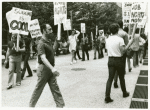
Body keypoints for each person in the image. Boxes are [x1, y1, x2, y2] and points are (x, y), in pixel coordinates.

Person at [29, 24, 65, 107]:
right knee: (38, 89)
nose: (51, 31)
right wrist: (53, 69)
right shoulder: (41, 43)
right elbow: (43, 58)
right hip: (44, 69)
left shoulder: (48, 41)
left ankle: (60, 106)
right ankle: (31, 106)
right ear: (44, 31)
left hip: (50, 69)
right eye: (49, 29)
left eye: (51, 29)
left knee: (55, 89)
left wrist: (56, 42)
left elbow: (52, 51)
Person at [105, 23, 132, 103]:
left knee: (110, 79)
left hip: (110, 60)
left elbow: (107, 50)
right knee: (121, 78)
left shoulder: (108, 39)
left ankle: (107, 96)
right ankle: (124, 93)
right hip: (119, 60)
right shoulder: (120, 39)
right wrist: (129, 43)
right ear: (117, 30)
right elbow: (123, 51)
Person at [113, 20, 129, 88]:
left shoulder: (114, 33)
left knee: (115, 68)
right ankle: (122, 83)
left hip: (115, 51)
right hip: (122, 53)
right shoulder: (124, 33)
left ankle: (115, 81)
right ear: (122, 25)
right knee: (122, 68)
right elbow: (126, 44)